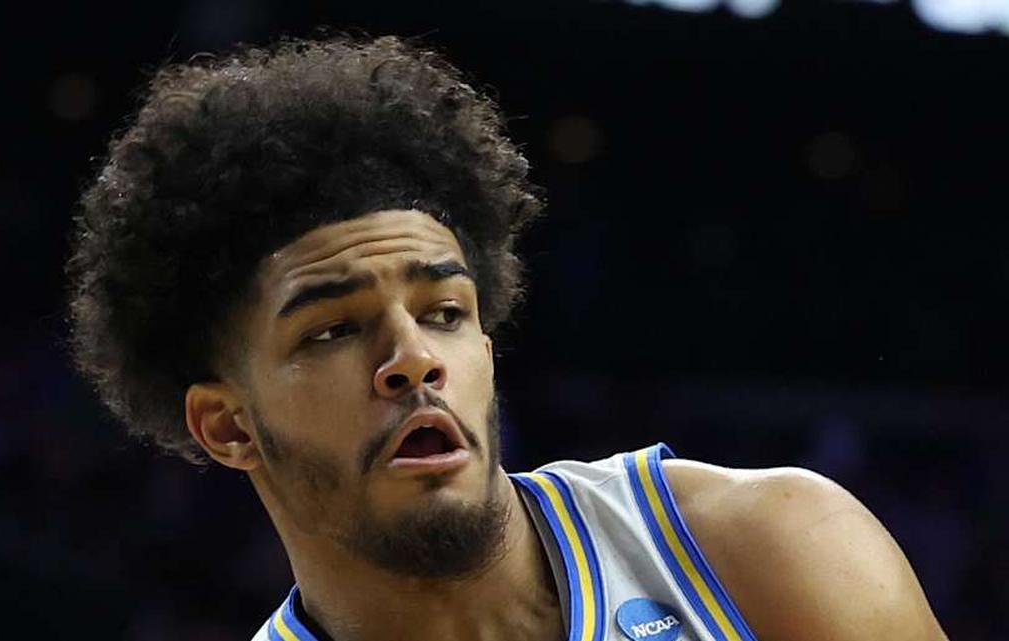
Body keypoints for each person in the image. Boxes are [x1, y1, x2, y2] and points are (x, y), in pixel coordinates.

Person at [66, 35, 948, 641]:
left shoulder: (763, 544)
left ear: (486, 347)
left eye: (445, 311)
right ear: (227, 425)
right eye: (333, 328)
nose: (413, 358)